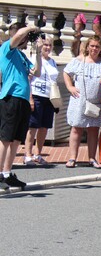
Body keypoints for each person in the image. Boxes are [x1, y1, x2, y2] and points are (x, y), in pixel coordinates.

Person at [0, 23, 42, 190]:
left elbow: (36, 72)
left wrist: (38, 52)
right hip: (11, 98)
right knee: (5, 139)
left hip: (23, 100)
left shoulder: (21, 55)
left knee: (17, 139)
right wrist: (32, 28)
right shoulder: (7, 48)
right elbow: (16, 37)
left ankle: (7, 174)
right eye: (25, 36)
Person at [62, 35, 101, 169]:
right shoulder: (79, 60)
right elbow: (66, 72)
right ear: (87, 46)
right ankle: (72, 158)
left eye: (97, 46)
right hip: (79, 99)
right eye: (92, 46)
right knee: (76, 128)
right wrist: (69, 86)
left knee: (93, 129)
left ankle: (92, 158)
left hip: (95, 101)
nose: (94, 49)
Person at [24, 35, 58, 166]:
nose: (48, 48)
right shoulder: (34, 59)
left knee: (44, 127)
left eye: (50, 45)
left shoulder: (53, 62)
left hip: (49, 97)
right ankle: (27, 154)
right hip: (37, 94)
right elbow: (29, 79)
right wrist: (30, 98)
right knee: (32, 126)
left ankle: (38, 154)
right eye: (45, 45)